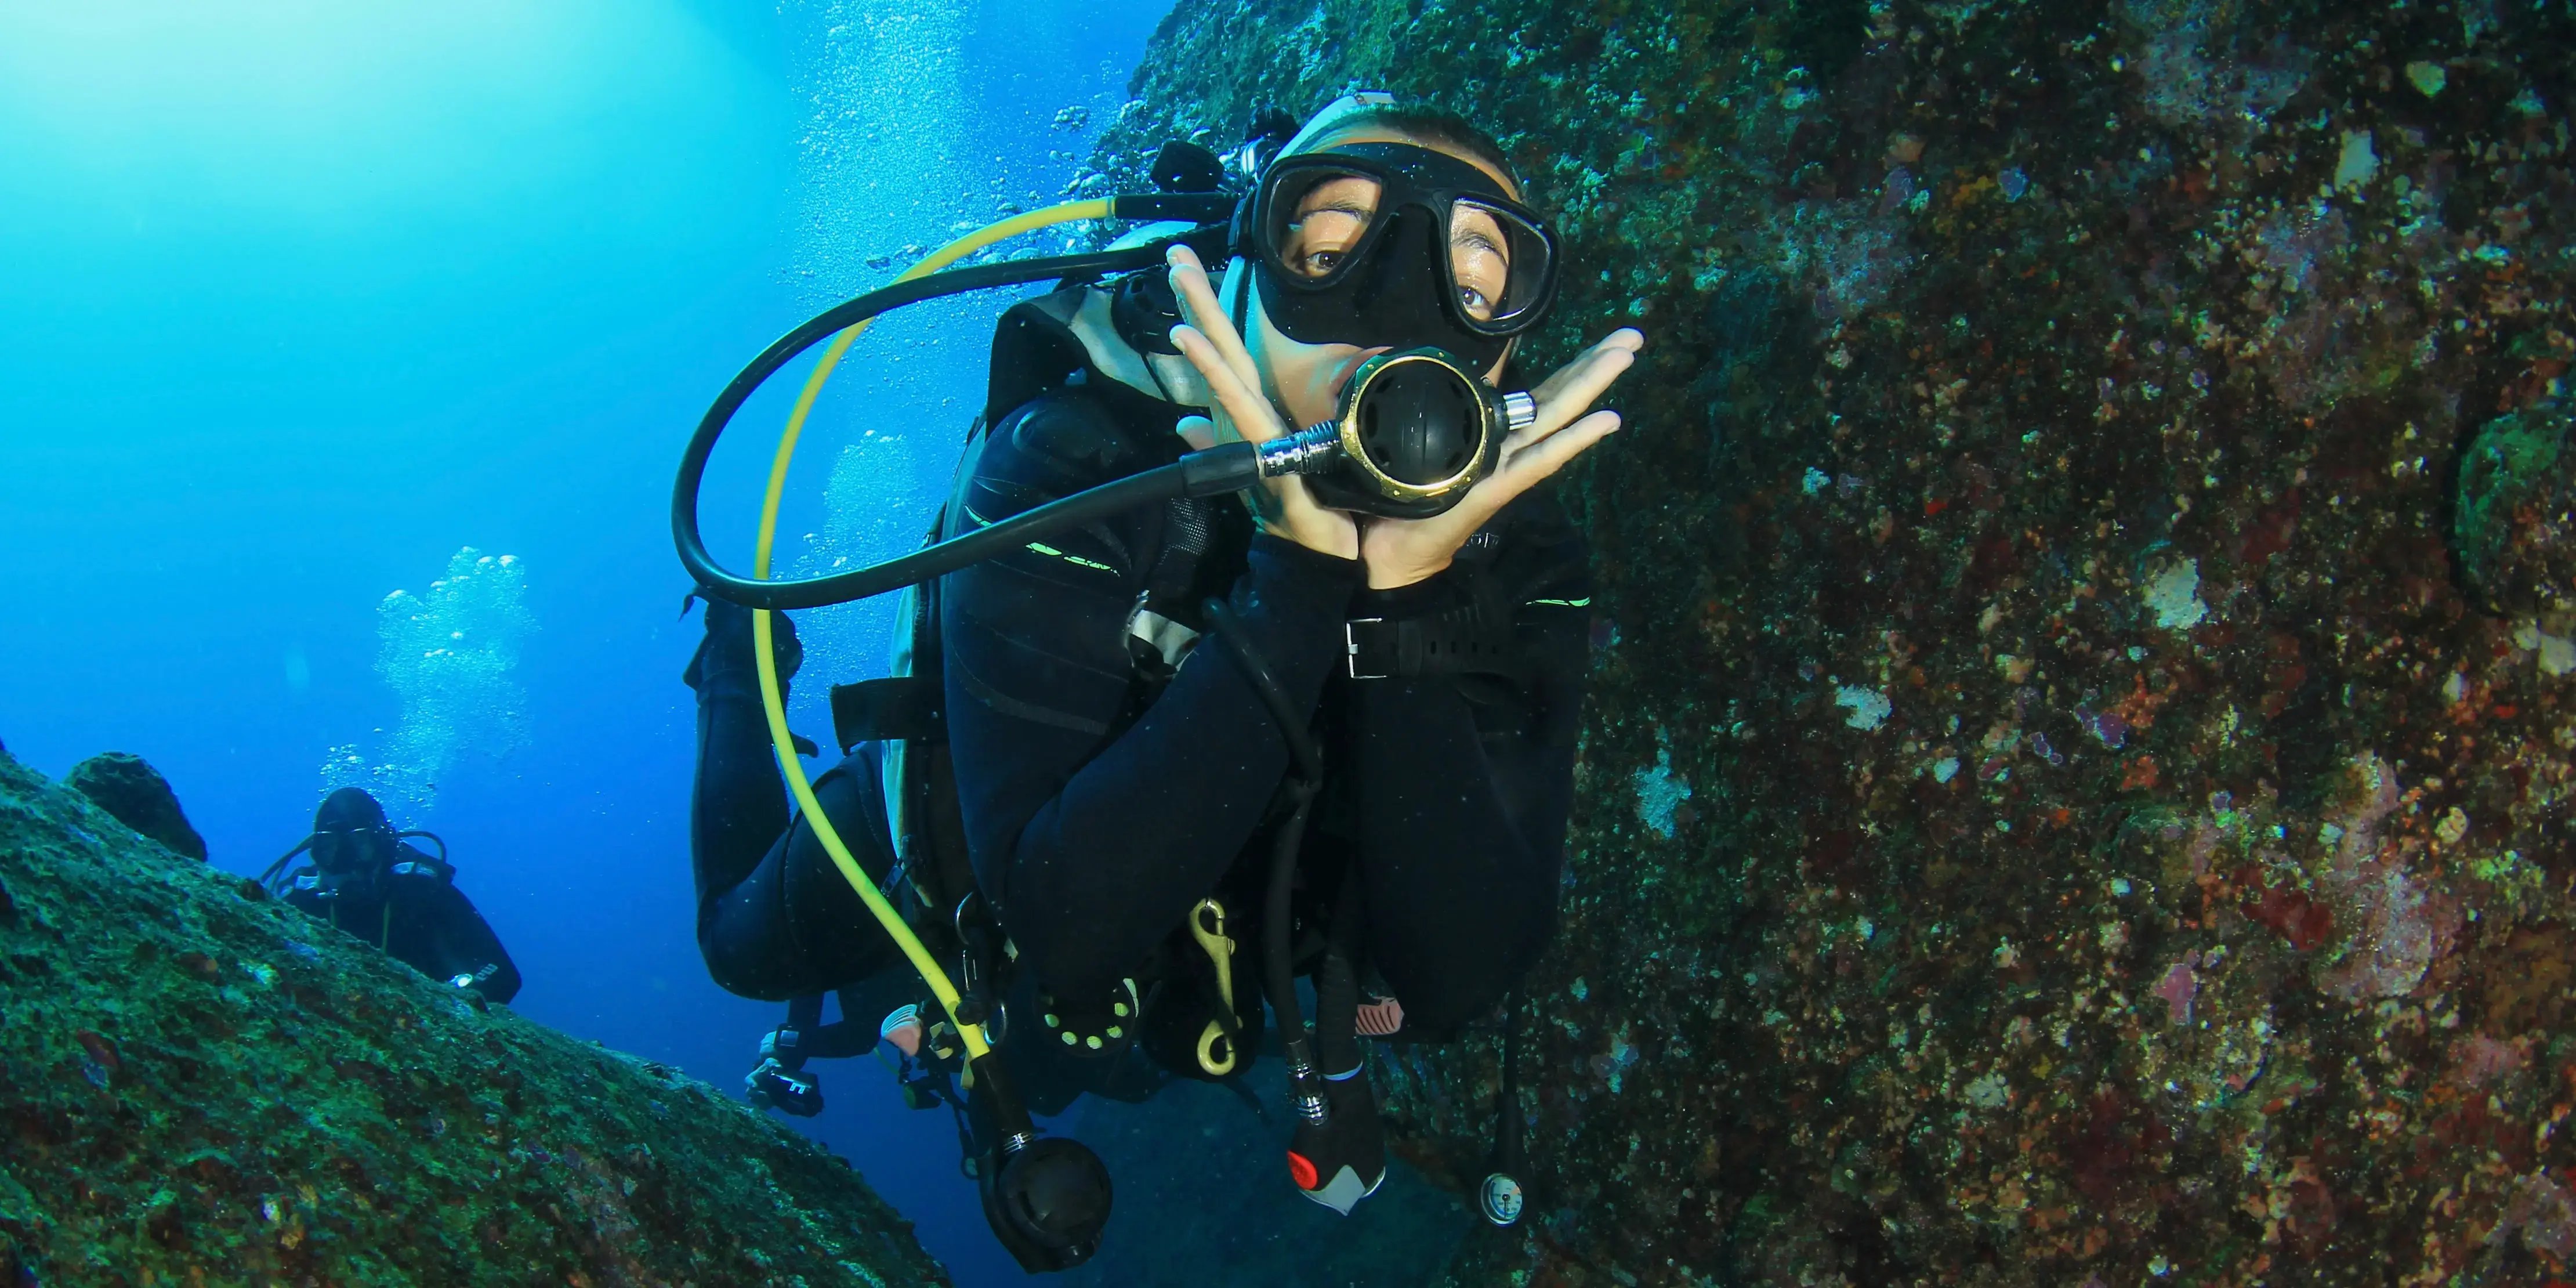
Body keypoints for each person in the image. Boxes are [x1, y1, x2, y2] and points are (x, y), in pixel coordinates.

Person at [685, 93, 1637, 1207]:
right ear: (1246, 261)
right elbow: (1065, 929)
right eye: (1329, 249)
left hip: (1214, 966)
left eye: (1474, 284)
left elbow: (1458, 978)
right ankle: (732, 669)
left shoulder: (1519, 550)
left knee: (1117, 1068)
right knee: (738, 953)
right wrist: (1299, 574)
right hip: (970, 829)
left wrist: (1405, 592)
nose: (1401, 320)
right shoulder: (1076, 466)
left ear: (1511, 337)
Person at [264, 787, 522, 1004]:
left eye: (359, 845)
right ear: (315, 853)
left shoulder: (420, 893)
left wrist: (453, 999)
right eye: (329, 849)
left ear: (383, 846)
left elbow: (502, 975)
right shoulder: (301, 900)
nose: (346, 863)